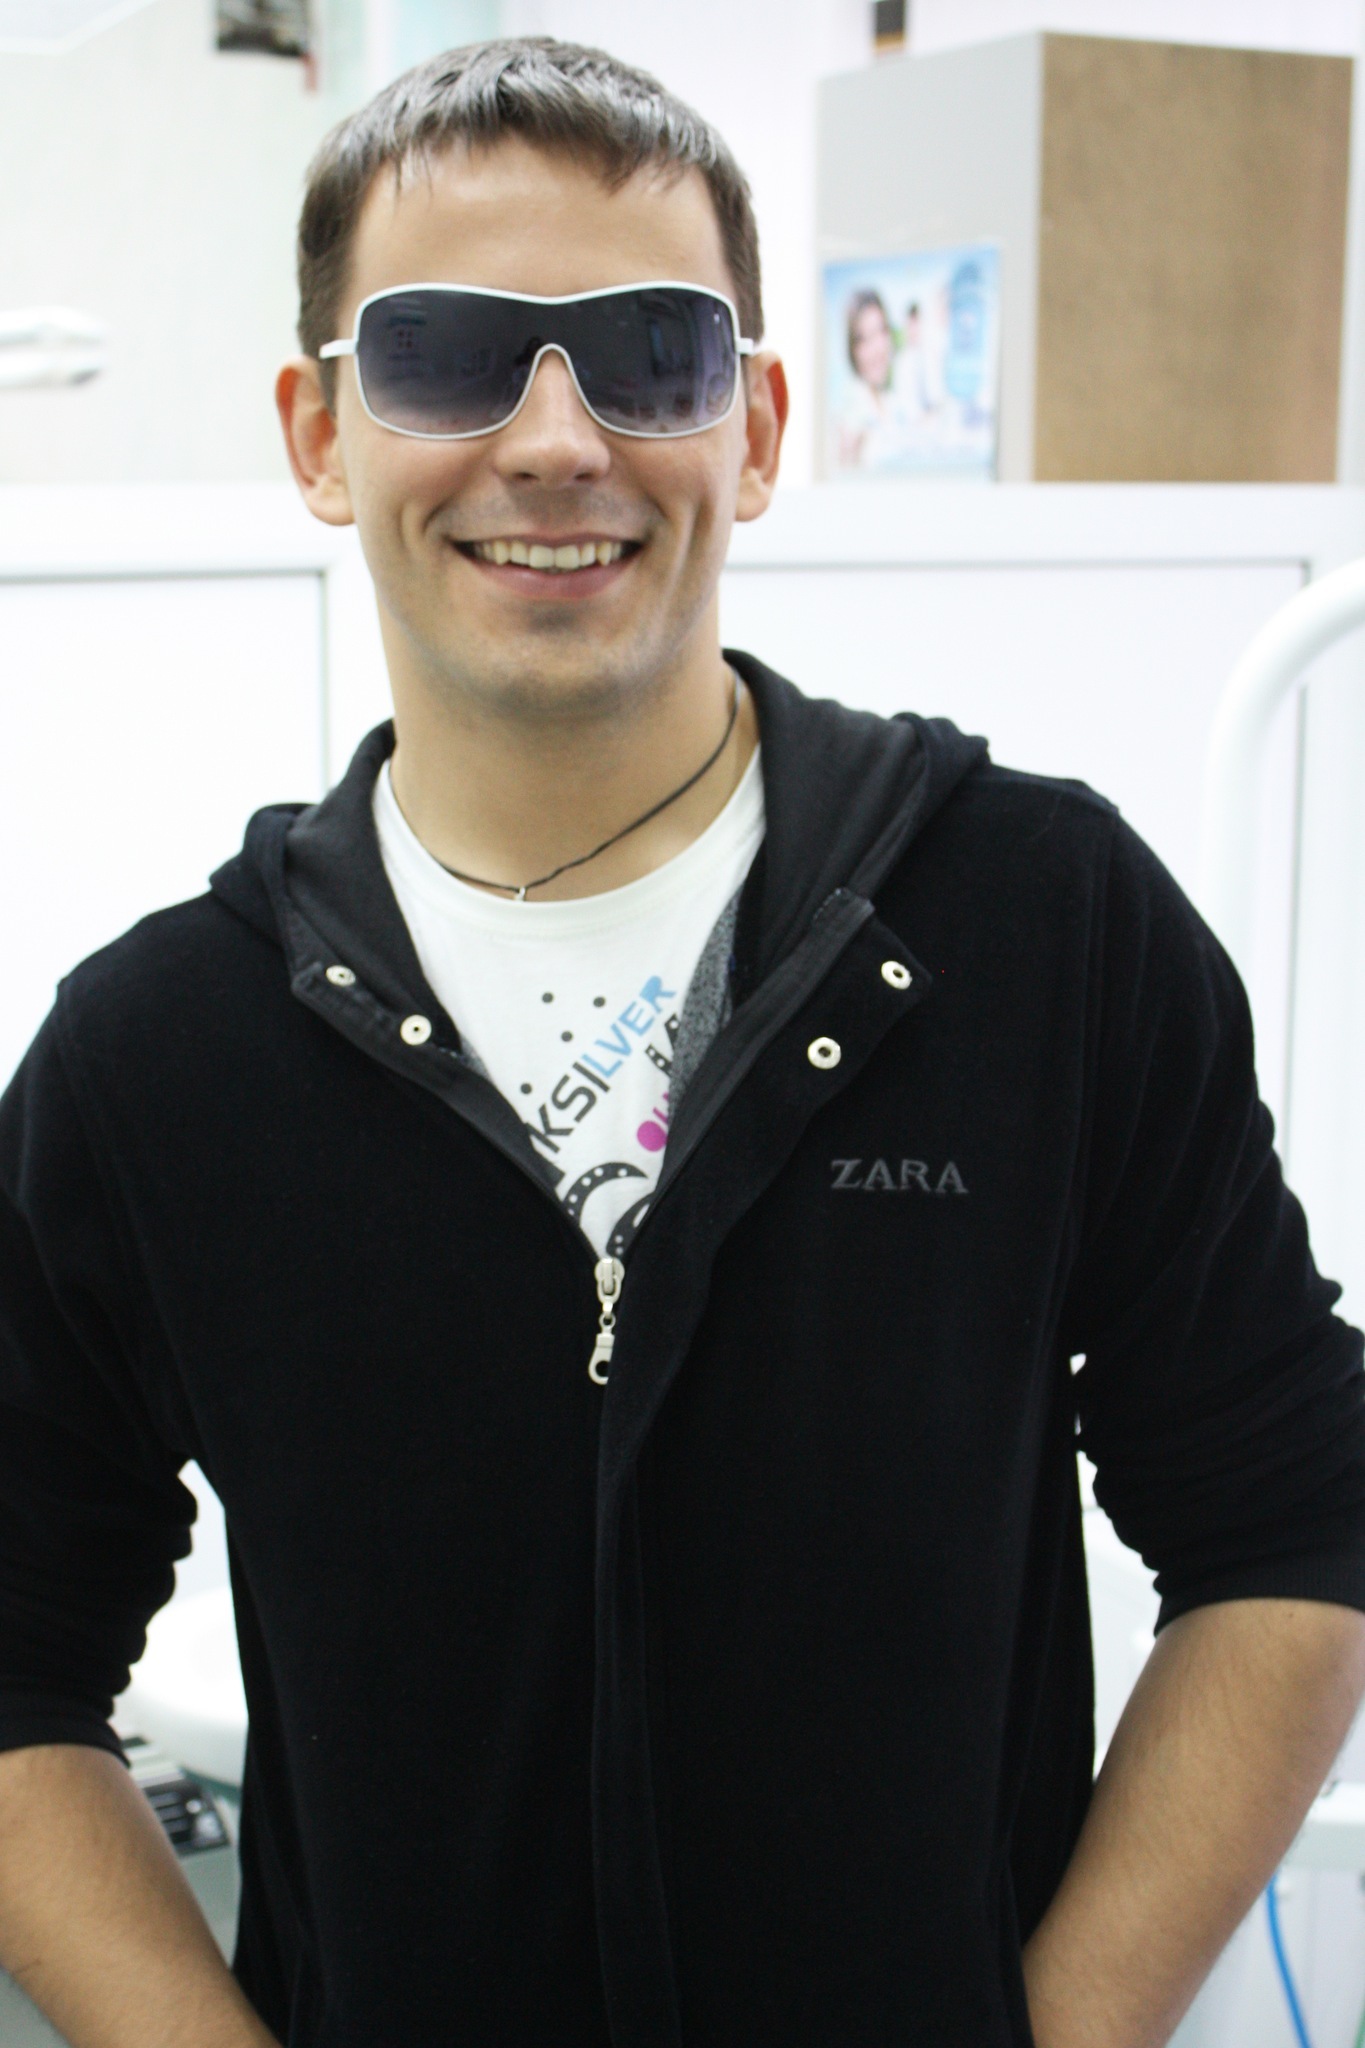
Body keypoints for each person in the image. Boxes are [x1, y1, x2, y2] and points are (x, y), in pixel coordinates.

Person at [0, 35, 1363, 2048]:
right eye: (449, 355)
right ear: (319, 432)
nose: (557, 440)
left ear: (758, 424)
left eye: (651, 355)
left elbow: (1293, 1518)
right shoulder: (160, 1062)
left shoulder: (1034, 927)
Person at [835, 286, 917, 469]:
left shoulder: (892, 401)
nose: (879, 347)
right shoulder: (850, 415)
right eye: (867, 338)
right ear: (853, 349)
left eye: (882, 331)